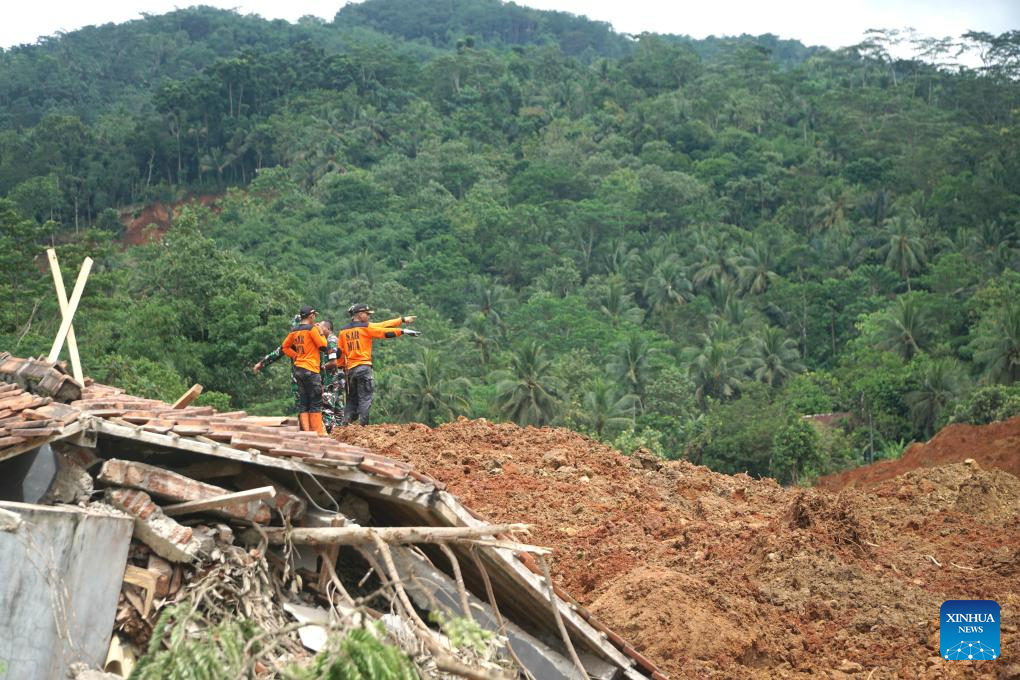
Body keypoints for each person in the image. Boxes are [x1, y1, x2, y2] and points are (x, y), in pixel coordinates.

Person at [338, 303, 419, 426]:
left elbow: (340, 352)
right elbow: (383, 332)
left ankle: (345, 426)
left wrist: (402, 320)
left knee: (351, 400)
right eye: (367, 314)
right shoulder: (366, 328)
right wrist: (402, 331)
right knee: (365, 399)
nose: (369, 316)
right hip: (363, 368)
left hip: (350, 371)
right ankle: (363, 427)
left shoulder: (343, 331)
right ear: (360, 314)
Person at [280, 305, 328, 436]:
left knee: (304, 402)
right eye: (314, 316)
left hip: (299, 370)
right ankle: (318, 433)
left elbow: (284, 347)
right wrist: (321, 331)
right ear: (311, 316)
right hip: (311, 369)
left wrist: (295, 356)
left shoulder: (294, 331)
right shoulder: (312, 329)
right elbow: (323, 346)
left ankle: (307, 433)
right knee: (315, 401)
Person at [253, 314, 301, 412]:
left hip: (314, 377)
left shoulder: (315, 337)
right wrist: (261, 364)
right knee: (302, 407)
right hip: (299, 378)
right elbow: (277, 353)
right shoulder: (291, 342)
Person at [317, 318, 345, 433]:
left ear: (327, 328)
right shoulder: (327, 340)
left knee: (328, 406)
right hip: (336, 378)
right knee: (338, 406)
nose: (319, 328)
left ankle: (331, 431)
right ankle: (340, 431)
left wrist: (319, 368)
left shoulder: (331, 340)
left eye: (321, 326)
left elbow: (333, 362)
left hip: (331, 379)